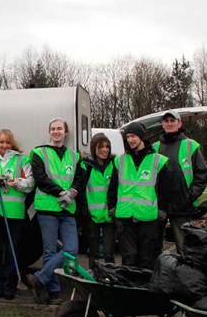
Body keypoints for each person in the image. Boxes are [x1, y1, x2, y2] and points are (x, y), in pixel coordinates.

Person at [26, 118, 83, 305]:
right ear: (49, 132)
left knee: (72, 250)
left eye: (60, 129)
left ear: (66, 133)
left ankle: (40, 277)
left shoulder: (75, 155)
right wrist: (61, 192)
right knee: (49, 251)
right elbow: (40, 178)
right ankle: (53, 292)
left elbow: (79, 178)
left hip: (68, 209)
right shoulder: (38, 152)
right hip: (47, 208)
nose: (56, 131)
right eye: (53, 129)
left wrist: (72, 193)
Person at [0, 129, 34, 300]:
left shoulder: (22, 160)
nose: (4, 145)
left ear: (12, 144)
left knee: (12, 251)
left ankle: (10, 286)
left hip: (14, 213)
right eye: (1, 142)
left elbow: (31, 183)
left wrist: (18, 183)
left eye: (7, 142)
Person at [110, 122, 168, 270]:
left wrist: (162, 212)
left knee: (145, 259)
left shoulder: (158, 160)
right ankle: (129, 291)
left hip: (148, 218)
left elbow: (165, 190)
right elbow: (113, 188)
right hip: (125, 217)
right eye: (128, 137)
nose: (130, 140)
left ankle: (142, 291)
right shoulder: (119, 160)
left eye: (133, 136)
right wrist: (112, 209)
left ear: (142, 137)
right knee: (128, 259)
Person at [154, 109, 207, 258]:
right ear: (163, 124)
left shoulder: (191, 145)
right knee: (154, 247)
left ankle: (185, 278)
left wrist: (189, 196)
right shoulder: (155, 147)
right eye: (166, 121)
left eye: (173, 121)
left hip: (182, 206)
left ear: (179, 124)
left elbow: (202, 175)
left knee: (184, 248)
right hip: (159, 207)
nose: (169, 123)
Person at [77, 133, 118, 270]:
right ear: (94, 148)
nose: (104, 150)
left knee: (109, 252)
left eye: (107, 147)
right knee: (93, 252)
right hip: (92, 216)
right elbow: (81, 191)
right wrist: (84, 211)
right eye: (101, 147)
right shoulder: (86, 166)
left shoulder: (115, 164)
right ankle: (93, 276)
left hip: (109, 215)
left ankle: (110, 277)